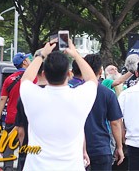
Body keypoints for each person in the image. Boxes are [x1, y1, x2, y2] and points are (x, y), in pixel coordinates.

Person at [18, 38, 98, 170]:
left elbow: (26, 79)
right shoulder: (79, 97)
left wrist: (41, 54)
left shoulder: (33, 96)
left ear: (44, 73)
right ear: (69, 74)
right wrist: (75, 54)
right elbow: (92, 79)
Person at [80, 53, 124, 171]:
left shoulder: (74, 91)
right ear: (100, 71)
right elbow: (115, 123)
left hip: (77, 148)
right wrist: (119, 147)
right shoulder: (108, 93)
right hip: (101, 148)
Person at [0, 52, 33, 171]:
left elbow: (2, 99)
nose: (30, 59)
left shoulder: (9, 79)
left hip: (11, 118)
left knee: (8, 146)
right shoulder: (33, 78)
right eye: (28, 58)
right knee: (26, 147)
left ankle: (8, 168)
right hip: (27, 119)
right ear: (24, 62)